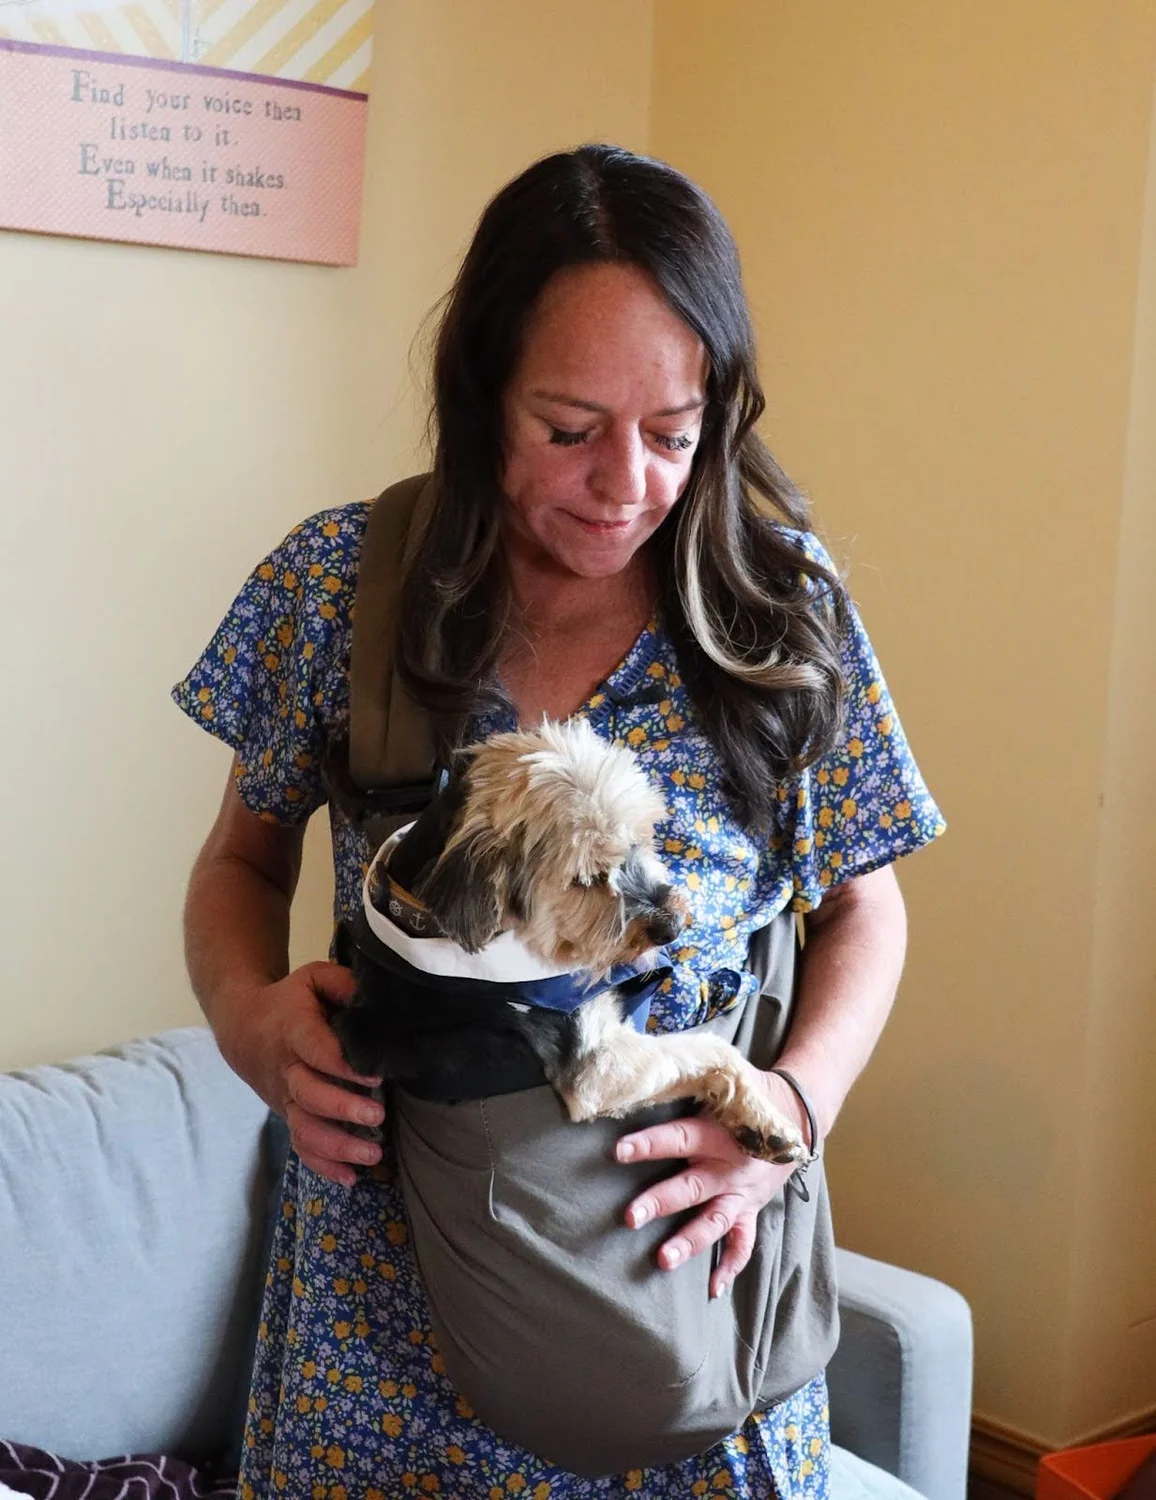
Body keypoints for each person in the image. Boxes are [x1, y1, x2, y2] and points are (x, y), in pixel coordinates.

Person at [175, 144, 944, 1499]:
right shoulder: (339, 586)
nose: (624, 484)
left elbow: (864, 905)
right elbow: (241, 863)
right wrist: (249, 1022)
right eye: (569, 427)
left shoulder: (781, 609)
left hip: (686, 1319)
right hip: (383, 1343)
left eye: (673, 431)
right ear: (481, 396)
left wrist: (791, 1112)